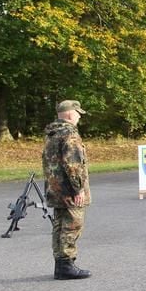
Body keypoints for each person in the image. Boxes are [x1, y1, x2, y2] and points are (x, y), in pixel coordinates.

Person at [42, 100, 92, 280]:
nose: (79, 117)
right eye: (78, 113)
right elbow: (73, 165)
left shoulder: (52, 133)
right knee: (72, 225)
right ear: (71, 114)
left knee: (59, 226)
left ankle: (61, 264)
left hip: (56, 189)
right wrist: (78, 189)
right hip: (69, 190)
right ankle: (66, 265)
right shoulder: (70, 135)